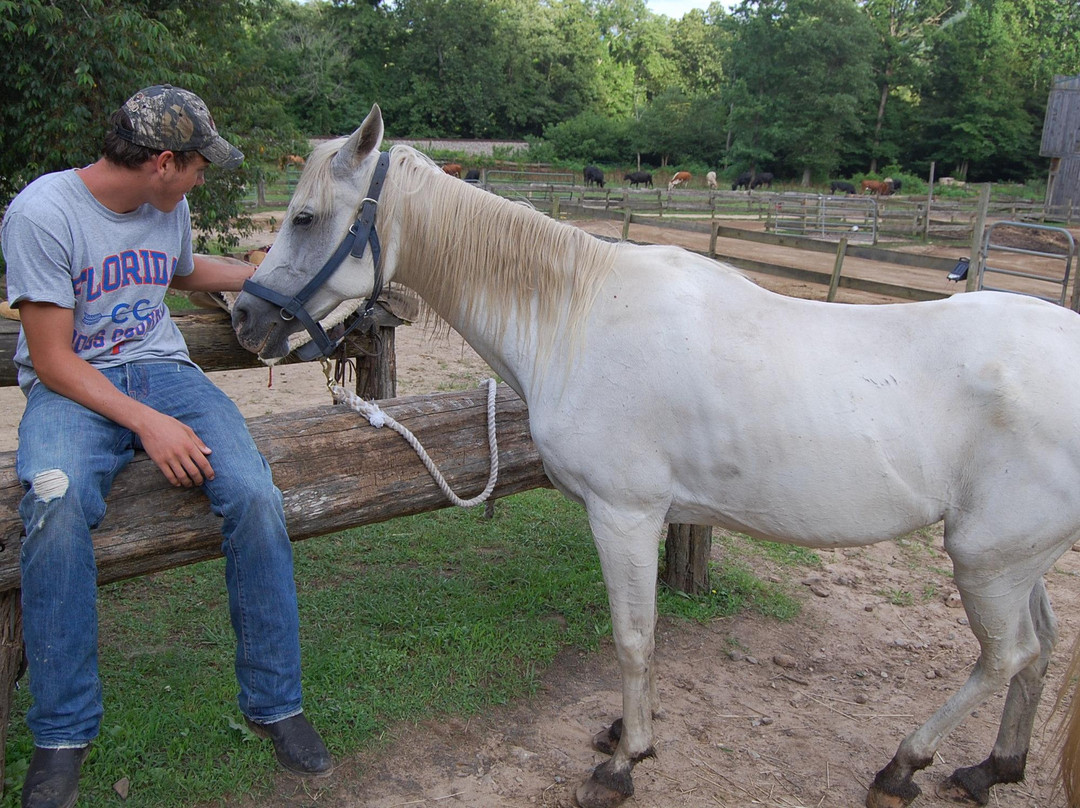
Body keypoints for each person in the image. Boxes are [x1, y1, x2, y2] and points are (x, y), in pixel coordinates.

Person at [0, 84, 332, 808]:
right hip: (74, 387)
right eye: (197, 165)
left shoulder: (166, 206)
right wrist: (148, 425)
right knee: (54, 510)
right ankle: (61, 735)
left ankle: (276, 704)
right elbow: (54, 360)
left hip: (165, 372)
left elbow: (178, 272)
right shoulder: (43, 213)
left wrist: (265, 277)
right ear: (160, 162)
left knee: (253, 493)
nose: (202, 178)